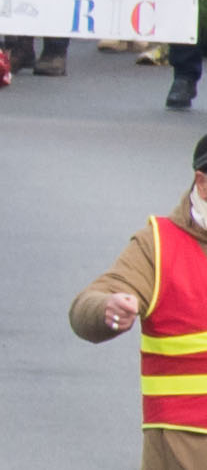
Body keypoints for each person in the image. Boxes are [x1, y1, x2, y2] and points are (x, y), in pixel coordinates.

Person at [68, 132, 207, 469]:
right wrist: (108, 310)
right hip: (185, 447)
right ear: (202, 184)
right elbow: (86, 306)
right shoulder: (158, 246)